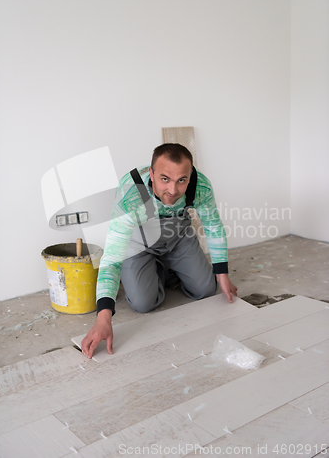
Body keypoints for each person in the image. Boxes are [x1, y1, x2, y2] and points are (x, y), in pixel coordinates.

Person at [81, 143, 237, 358]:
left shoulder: (201, 186)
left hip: (178, 236)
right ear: (151, 174)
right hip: (138, 244)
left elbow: (213, 226)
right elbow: (112, 258)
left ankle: (165, 270)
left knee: (206, 290)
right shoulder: (131, 194)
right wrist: (103, 318)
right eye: (165, 179)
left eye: (181, 180)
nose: (173, 190)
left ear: (190, 176)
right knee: (143, 304)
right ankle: (152, 269)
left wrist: (222, 273)